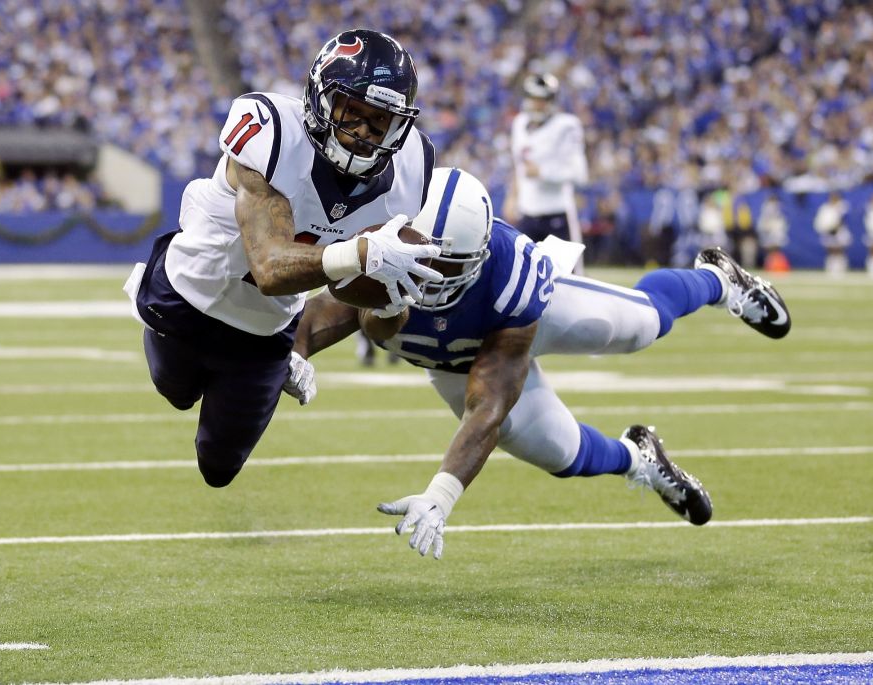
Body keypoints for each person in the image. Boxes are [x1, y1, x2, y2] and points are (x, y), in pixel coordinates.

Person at [291, 168, 792, 559]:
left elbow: (490, 401)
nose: (432, 279)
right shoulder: (377, 254)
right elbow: (312, 320)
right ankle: (640, 458)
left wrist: (442, 492)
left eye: (448, 267)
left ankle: (718, 279)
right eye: (424, 263)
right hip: (447, 360)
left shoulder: (510, 272)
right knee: (560, 453)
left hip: (514, 326)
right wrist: (290, 358)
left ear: (479, 256)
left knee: (640, 326)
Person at [122, 29, 441, 488]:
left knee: (218, 467)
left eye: (381, 123)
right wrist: (364, 253)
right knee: (177, 392)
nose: (363, 134)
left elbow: (373, 315)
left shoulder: (412, 171)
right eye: (352, 112)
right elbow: (269, 267)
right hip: (189, 295)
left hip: (266, 328)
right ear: (320, 98)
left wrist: (390, 296)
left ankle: (273, 360)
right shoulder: (271, 130)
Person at [505, 72, 588, 272]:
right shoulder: (519, 124)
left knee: (569, 279)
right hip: (527, 213)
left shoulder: (566, 125)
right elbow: (519, 167)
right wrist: (512, 197)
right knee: (521, 277)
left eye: (542, 100)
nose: (537, 104)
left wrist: (543, 172)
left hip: (557, 214)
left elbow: (580, 174)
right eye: (534, 99)